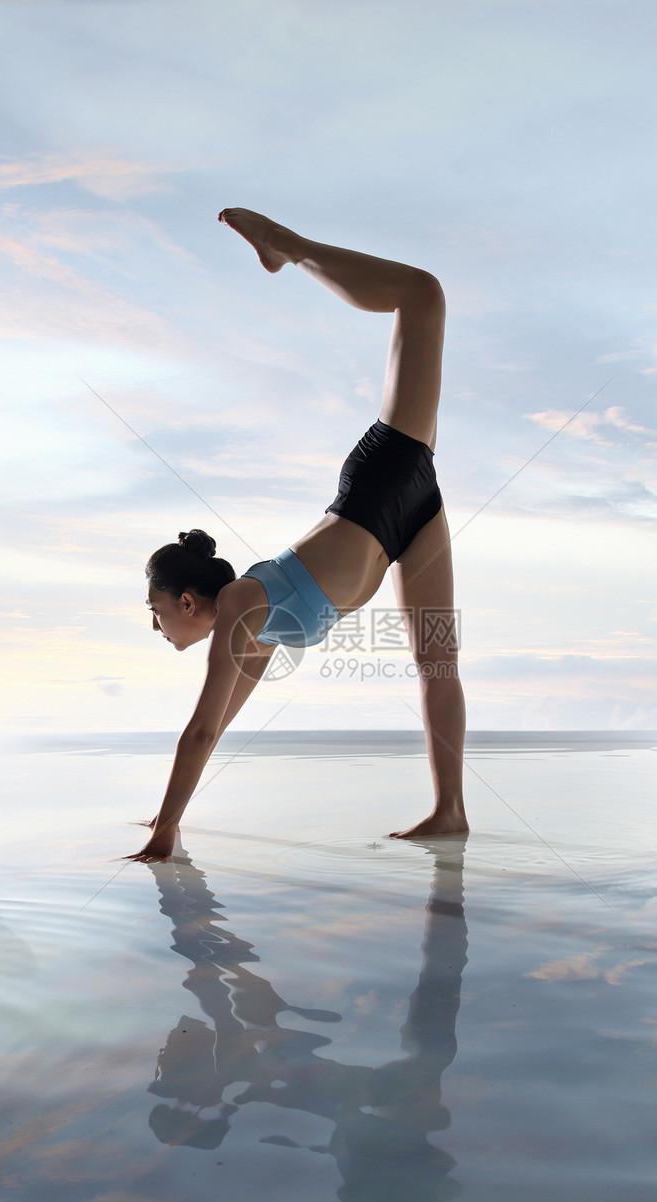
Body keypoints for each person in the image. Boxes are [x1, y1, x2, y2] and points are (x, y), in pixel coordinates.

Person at [127, 209, 468, 863]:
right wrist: (167, 814)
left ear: (189, 601)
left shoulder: (238, 606)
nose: (158, 627)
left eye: (157, 613)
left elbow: (198, 731)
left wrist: (165, 834)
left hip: (382, 481)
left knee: (422, 294)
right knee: (438, 661)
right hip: (413, 518)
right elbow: (216, 727)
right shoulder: (251, 634)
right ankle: (450, 810)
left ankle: (287, 247)